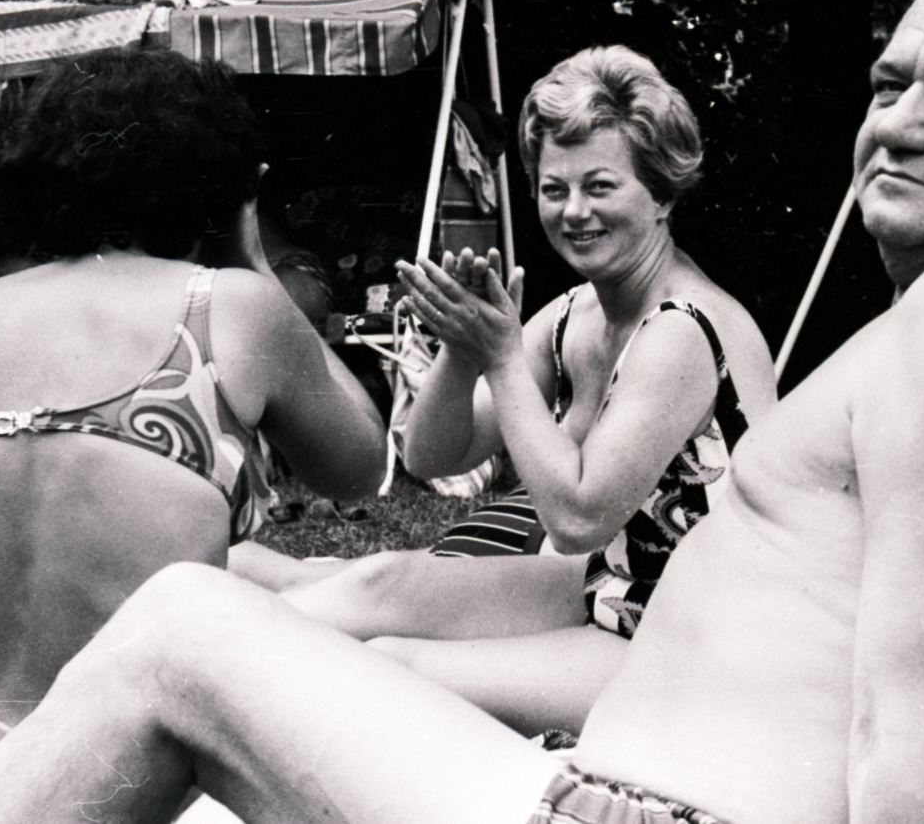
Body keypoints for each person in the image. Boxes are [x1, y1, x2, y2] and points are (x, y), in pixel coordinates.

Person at [0, 0, 924, 824]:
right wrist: (472, 350)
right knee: (268, 602)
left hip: (658, 808)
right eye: (893, 79)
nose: (898, 120)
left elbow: (912, 742)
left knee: (177, 626)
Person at [0, 49, 387, 824]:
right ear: (219, 183)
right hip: (113, 748)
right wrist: (256, 260)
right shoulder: (228, 306)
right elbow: (361, 466)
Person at [266, 46, 778, 735]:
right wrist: (462, 349)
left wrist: (503, 357)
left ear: (659, 195)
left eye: (600, 186)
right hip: (616, 588)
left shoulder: (682, 329)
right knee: (382, 580)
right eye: (553, 187)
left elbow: (575, 518)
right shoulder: (578, 312)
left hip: (706, 641)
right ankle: (196, 654)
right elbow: (430, 455)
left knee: (395, 667)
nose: (573, 212)